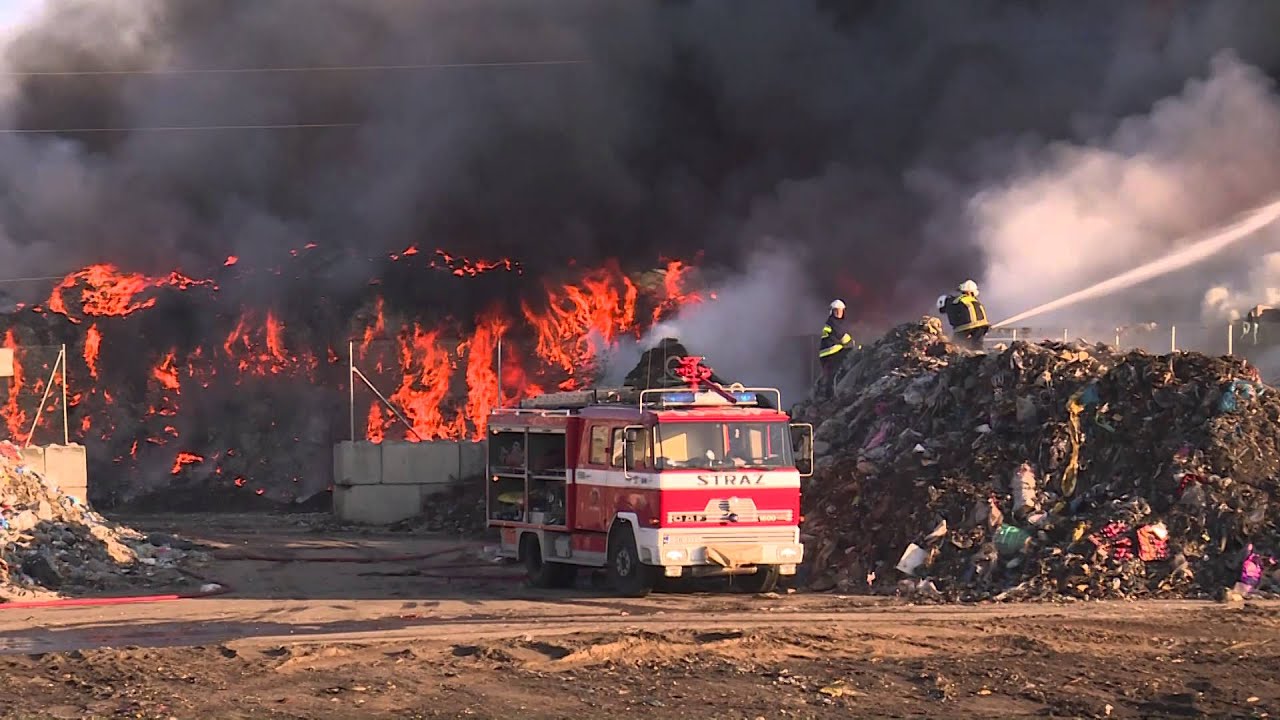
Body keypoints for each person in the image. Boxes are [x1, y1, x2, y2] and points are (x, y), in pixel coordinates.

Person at [937, 280, 990, 351]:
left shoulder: (952, 302)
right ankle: (978, 357)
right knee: (977, 345)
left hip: (966, 326)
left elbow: (954, 321)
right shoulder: (972, 299)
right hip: (983, 325)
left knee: (955, 345)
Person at [818, 299, 855, 386]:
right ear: (832, 312)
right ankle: (830, 394)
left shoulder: (834, 322)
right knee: (834, 373)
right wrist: (852, 343)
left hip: (829, 352)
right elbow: (842, 336)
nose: (839, 313)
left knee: (830, 374)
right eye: (836, 311)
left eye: (840, 311)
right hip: (831, 352)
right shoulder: (834, 322)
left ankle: (827, 392)